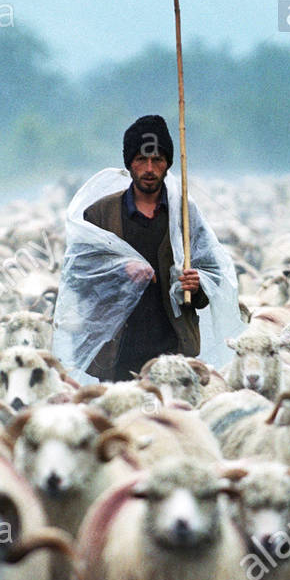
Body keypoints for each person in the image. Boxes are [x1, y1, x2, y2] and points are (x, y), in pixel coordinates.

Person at [81, 115, 208, 381]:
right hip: (117, 349)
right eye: (141, 159)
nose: (149, 168)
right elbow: (81, 280)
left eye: (157, 160)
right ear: (129, 163)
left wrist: (197, 286)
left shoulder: (184, 215)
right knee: (121, 418)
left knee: (169, 417)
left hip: (172, 349)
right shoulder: (99, 215)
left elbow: (208, 280)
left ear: (168, 164)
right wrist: (119, 270)